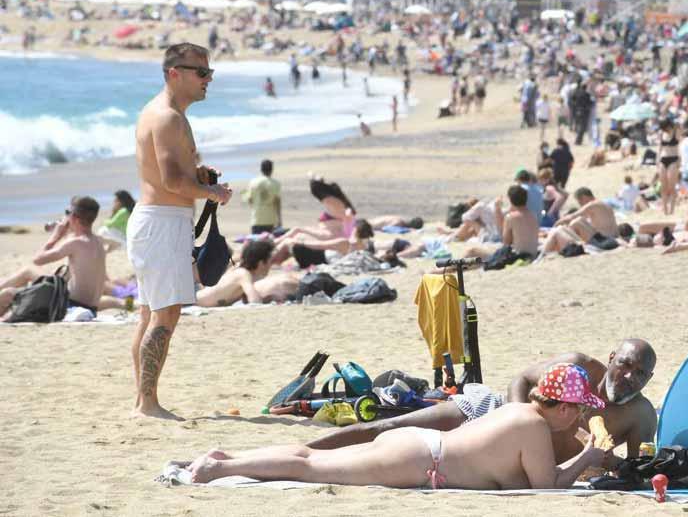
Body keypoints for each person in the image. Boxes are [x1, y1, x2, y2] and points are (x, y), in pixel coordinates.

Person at [187, 362, 609, 489]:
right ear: (561, 406)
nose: (577, 417)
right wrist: (588, 455)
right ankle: (219, 468)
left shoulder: (518, 412)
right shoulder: (534, 426)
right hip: (416, 458)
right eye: (575, 409)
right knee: (309, 467)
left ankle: (230, 459)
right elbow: (545, 490)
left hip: (416, 445)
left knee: (311, 458)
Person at [305, 341, 658, 467]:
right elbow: (520, 379)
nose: (629, 376)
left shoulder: (639, 415)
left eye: (640, 374)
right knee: (387, 427)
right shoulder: (578, 365)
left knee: (394, 456)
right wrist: (515, 418)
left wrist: (608, 462)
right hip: (489, 411)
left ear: (648, 381)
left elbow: (633, 470)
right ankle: (302, 449)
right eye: (625, 364)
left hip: (521, 459)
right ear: (613, 358)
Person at [129, 43, 233, 419]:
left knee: (151, 314)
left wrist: (200, 178)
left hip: (158, 220)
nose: (208, 80)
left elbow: (171, 175)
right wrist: (212, 192)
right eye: (201, 73)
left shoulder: (167, 114)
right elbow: (172, 181)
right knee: (164, 316)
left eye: (210, 73)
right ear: (175, 73)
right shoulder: (168, 117)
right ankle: (147, 404)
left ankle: (144, 400)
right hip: (161, 222)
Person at [0, 196, 124, 319]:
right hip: (90, 307)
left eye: (67, 213)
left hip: (68, 305)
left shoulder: (75, 242)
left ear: (74, 218)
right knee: (25, 281)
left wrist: (56, 236)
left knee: (9, 292)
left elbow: (37, 260)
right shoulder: (98, 241)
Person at [460, 185, 540, 263]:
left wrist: (497, 210)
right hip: (533, 254)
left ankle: (452, 266)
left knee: (472, 251)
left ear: (510, 199)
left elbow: (506, 242)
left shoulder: (511, 218)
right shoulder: (533, 215)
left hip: (518, 256)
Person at [194, 241, 286, 306]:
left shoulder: (239, 270)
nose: (271, 265)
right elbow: (254, 301)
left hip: (196, 296)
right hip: (195, 301)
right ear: (261, 263)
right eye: (270, 261)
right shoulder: (243, 274)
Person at [271, 218, 375, 268]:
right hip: (322, 258)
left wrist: (300, 242)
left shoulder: (344, 242)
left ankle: (269, 262)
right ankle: (273, 262)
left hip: (317, 258)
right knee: (294, 244)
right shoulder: (364, 247)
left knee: (289, 243)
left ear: (355, 230)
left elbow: (320, 245)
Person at [242, 159, 282, 235]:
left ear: (261, 169)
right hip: (271, 220)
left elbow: (249, 200)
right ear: (272, 169)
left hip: (257, 219)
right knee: (270, 244)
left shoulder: (253, 182)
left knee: (257, 244)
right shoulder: (276, 184)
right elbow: (277, 203)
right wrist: (280, 220)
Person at [657, 119, 682, 215]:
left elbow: (680, 128)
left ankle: (672, 210)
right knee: (663, 187)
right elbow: (659, 148)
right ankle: (665, 210)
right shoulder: (662, 133)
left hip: (673, 159)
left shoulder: (676, 132)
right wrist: (657, 161)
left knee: (672, 187)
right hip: (663, 159)